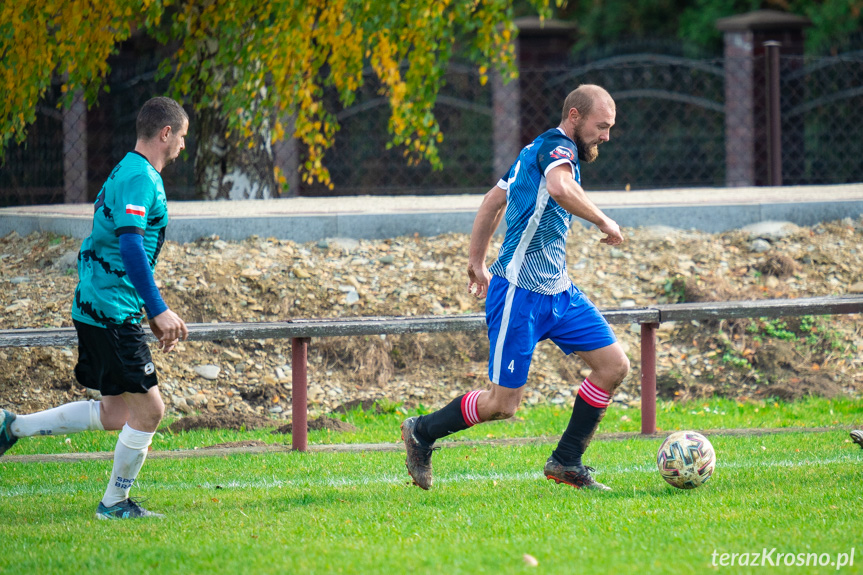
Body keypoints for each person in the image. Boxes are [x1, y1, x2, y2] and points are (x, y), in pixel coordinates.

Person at [401, 84, 629, 491]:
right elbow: (559, 188)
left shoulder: (535, 151)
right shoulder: (556, 149)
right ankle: (422, 432)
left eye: (610, 128)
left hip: (558, 291)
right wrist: (603, 221)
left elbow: (492, 201)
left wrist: (475, 263)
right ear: (574, 116)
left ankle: (566, 462)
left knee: (614, 366)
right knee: (501, 405)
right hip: (519, 294)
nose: (606, 136)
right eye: (601, 126)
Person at [0, 96, 190, 518]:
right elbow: (129, 245)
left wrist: (147, 308)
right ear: (165, 133)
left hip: (95, 305)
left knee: (116, 411)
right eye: (181, 137)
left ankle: (11, 427)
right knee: (151, 411)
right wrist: (156, 309)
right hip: (111, 312)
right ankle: (114, 503)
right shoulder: (141, 177)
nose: (182, 147)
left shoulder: (127, 168)